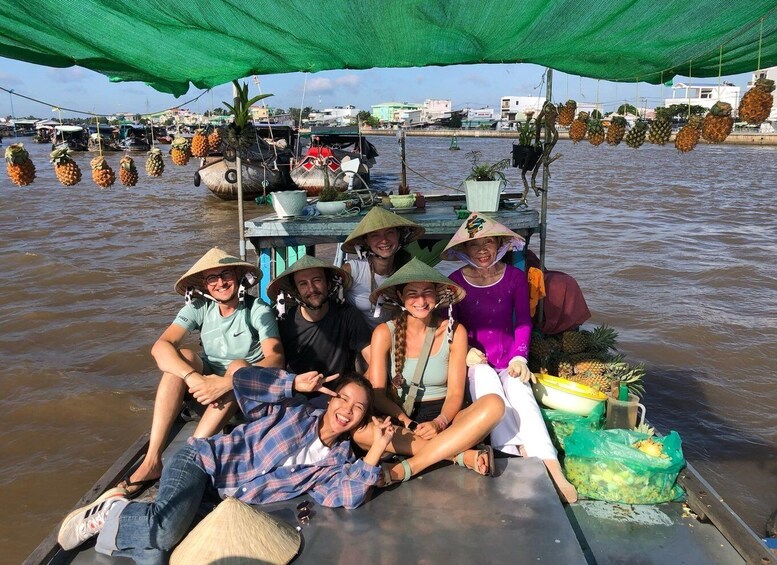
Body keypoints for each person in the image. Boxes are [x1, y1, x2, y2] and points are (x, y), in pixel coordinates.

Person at [57, 368, 396, 560]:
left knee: (159, 557)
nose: (348, 410)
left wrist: (376, 450)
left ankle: (127, 520)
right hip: (203, 463)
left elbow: (347, 496)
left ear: (362, 419)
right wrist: (292, 383)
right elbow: (243, 381)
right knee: (166, 530)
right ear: (330, 397)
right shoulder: (293, 410)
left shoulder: (338, 463)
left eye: (359, 408)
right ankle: (112, 513)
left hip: (219, 506)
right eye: (344, 398)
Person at [120, 248, 285, 497]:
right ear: (205, 285)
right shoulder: (200, 308)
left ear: (239, 276)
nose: (220, 282)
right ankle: (152, 460)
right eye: (212, 278)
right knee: (183, 357)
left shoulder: (257, 309)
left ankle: (190, 454)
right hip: (205, 393)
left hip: (243, 399)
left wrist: (228, 382)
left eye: (226, 274)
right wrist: (193, 377)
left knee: (238, 365)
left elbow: (276, 358)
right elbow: (160, 347)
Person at [442, 213, 578, 503]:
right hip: (477, 361)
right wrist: (464, 352)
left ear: (500, 245)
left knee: (520, 390)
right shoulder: (454, 282)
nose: (482, 251)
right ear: (464, 250)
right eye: (474, 245)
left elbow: (523, 323)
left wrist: (520, 357)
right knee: (490, 388)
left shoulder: (515, 278)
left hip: (509, 357)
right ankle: (518, 453)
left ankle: (551, 465)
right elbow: (449, 326)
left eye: (489, 242)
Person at [353, 258, 505, 483]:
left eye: (427, 292)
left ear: (437, 296)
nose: (421, 300)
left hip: (446, 418)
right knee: (358, 431)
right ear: (400, 297)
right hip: (401, 420)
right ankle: (460, 455)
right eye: (412, 293)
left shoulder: (455, 332)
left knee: (494, 404)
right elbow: (376, 393)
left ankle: (408, 467)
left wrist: (439, 423)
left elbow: (455, 393)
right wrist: (406, 421)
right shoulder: (385, 333)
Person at [267, 255, 372, 378]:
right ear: (296, 292)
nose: (311, 289)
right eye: (303, 284)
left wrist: (356, 389)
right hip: (297, 393)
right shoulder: (285, 323)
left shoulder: (348, 316)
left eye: (317, 280)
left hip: (339, 394)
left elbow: (373, 360)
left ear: (328, 284)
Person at [341, 206, 425, 328]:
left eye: (389, 233)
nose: (384, 240)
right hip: (359, 341)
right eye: (375, 235)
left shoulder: (410, 272)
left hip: (398, 337)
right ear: (366, 241)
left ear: (399, 236)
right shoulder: (352, 271)